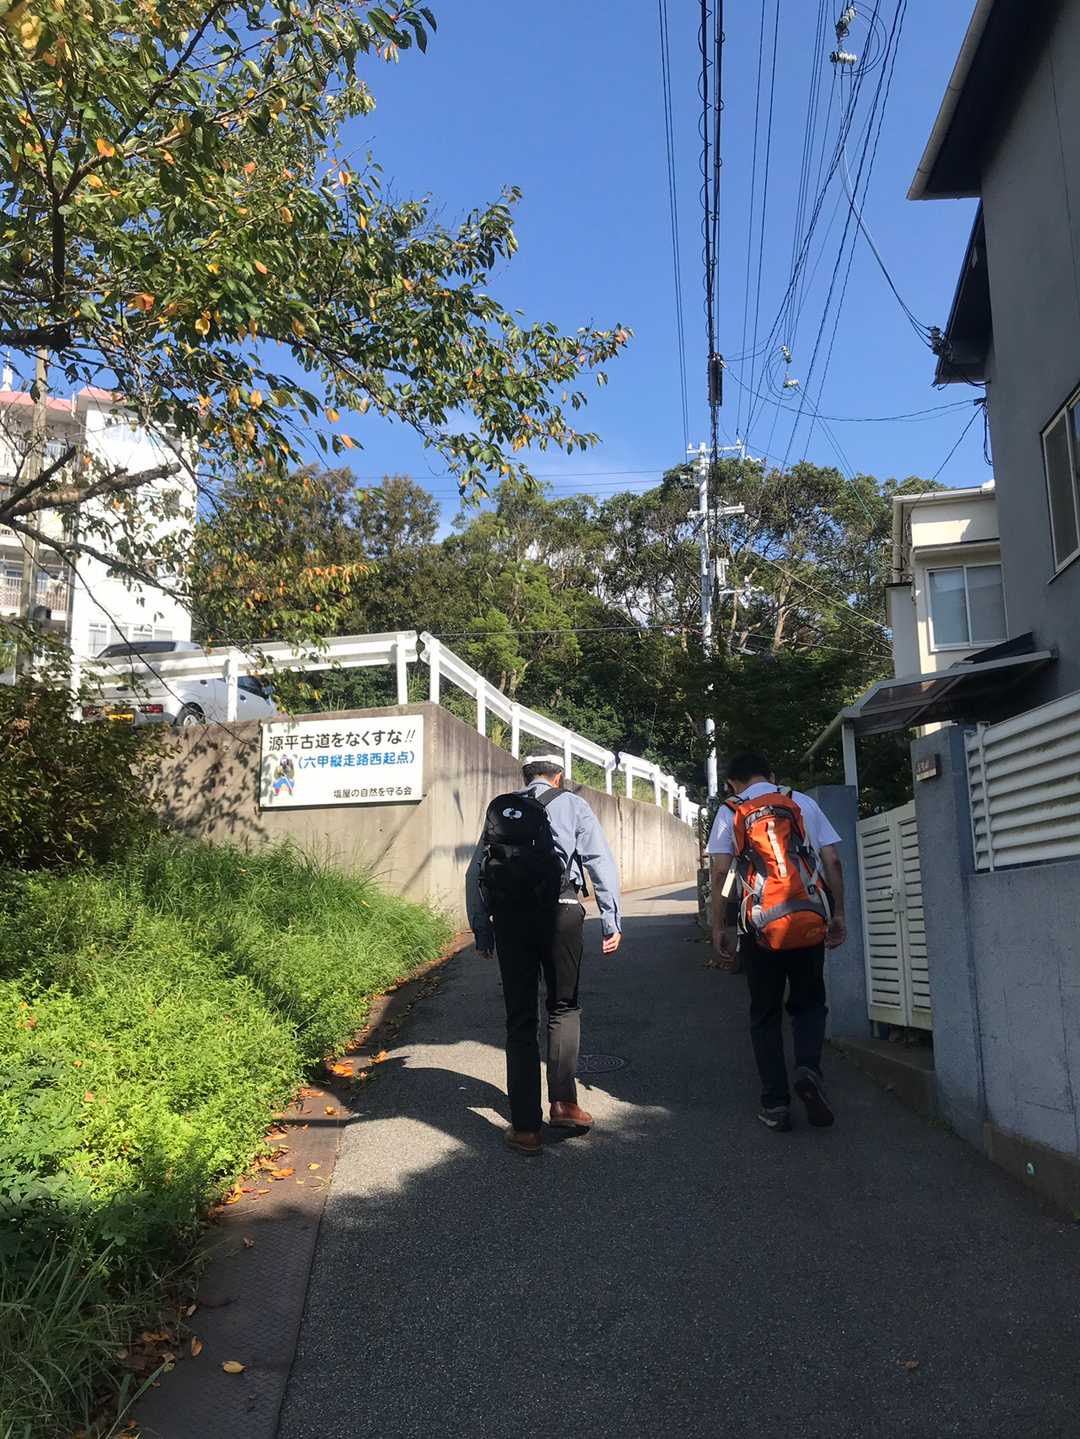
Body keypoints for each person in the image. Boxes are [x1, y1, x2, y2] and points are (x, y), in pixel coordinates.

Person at [467, 754, 623, 1156]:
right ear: (558, 776)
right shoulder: (573, 804)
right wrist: (611, 918)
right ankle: (564, 1104)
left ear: (525, 776)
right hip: (562, 909)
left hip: (511, 918)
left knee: (520, 1018)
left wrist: (482, 929)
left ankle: (525, 1128)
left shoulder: (503, 809)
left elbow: (476, 871)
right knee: (563, 1006)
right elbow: (598, 860)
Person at [707, 750, 847, 1132]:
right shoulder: (801, 802)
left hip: (759, 927)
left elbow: (720, 873)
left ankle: (776, 1104)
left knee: (765, 1013)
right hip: (807, 917)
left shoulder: (730, 810)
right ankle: (808, 1069)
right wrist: (838, 914)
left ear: (731, 783)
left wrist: (718, 927)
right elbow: (832, 860)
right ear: (771, 774)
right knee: (809, 1004)